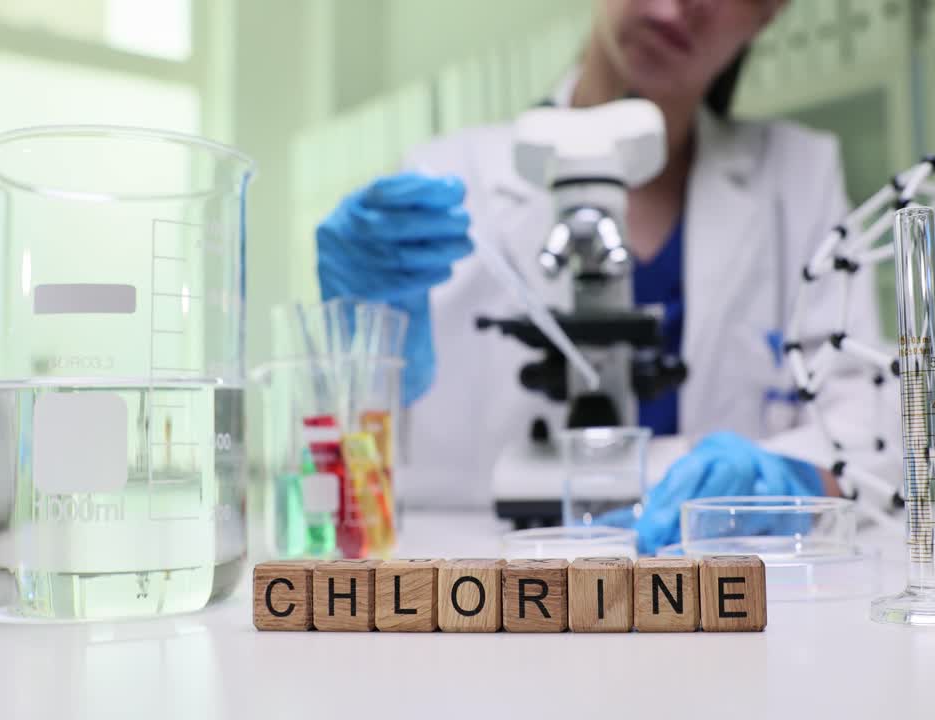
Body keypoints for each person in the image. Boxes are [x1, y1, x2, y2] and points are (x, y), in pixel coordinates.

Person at [316, 0, 888, 551]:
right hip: (497, 590)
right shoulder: (446, 177)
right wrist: (363, 343)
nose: (673, 8)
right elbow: (356, 461)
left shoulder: (798, 180)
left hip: (725, 595)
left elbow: (875, 432)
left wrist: (785, 480)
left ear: (772, 8)